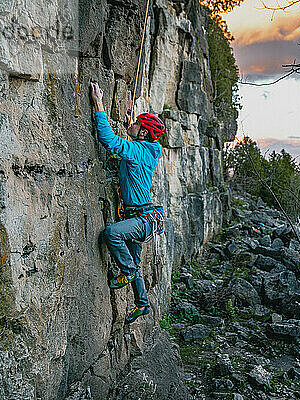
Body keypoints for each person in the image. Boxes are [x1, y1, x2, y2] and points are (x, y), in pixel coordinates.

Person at [90, 81, 165, 324]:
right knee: (135, 259)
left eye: (136, 124)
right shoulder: (145, 149)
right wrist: (131, 129)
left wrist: (99, 104)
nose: (130, 124)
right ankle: (142, 304)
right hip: (141, 217)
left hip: (140, 219)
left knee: (112, 233)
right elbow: (128, 144)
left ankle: (128, 272)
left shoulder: (139, 151)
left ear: (143, 133)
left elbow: (110, 142)